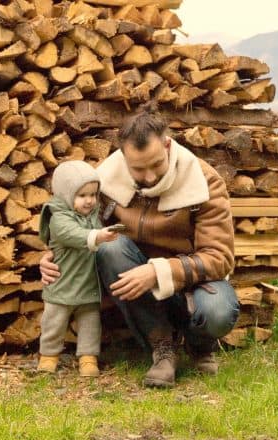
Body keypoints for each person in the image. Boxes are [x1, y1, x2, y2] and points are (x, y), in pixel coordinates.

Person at [40, 110, 240, 388]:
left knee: (218, 311)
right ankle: (162, 348)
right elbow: (80, 226)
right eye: (138, 168)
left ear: (167, 145)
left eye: (156, 164)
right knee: (110, 249)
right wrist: (54, 253)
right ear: (123, 156)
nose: (148, 177)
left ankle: (198, 344)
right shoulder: (105, 180)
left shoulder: (205, 181)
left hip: (191, 285)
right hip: (137, 286)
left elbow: (219, 258)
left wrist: (158, 271)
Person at [37, 160, 119, 377]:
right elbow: (72, 234)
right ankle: (48, 356)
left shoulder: (94, 216)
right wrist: (98, 236)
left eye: (93, 195)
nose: (89, 201)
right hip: (62, 284)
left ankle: (88, 357)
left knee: (90, 324)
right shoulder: (58, 218)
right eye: (82, 195)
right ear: (66, 194)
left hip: (88, 285)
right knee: (54, 322)